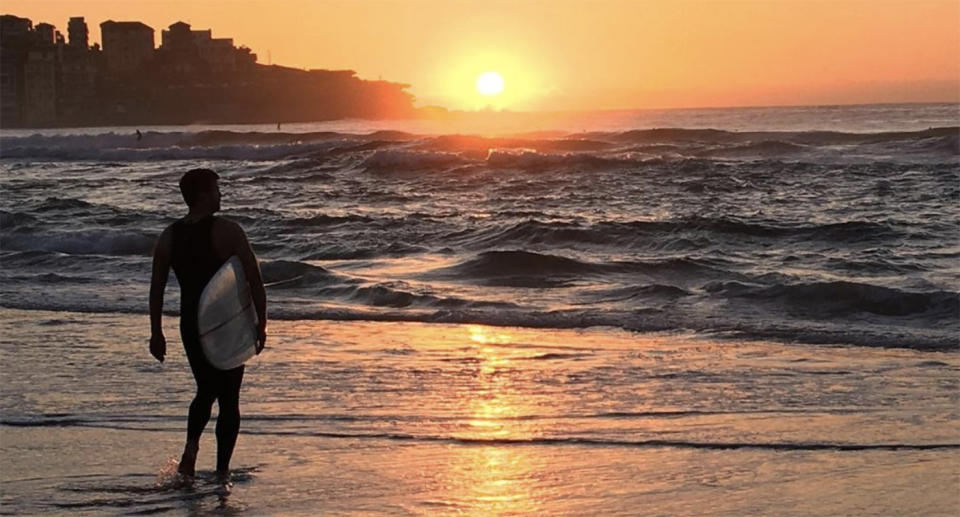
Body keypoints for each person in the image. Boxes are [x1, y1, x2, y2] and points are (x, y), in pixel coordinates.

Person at [149, 168, 267, 479]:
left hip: (191, 323)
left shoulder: (168, 237)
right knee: (229, 398)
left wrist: (156, 332)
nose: (220, 195)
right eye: (216, 190)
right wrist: (261, 322)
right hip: (225, 326)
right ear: (202, 195)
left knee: (205, 389)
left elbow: (157, 286)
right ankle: (222, 471)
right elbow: (254, 278)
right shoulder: (228, 231)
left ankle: (191, 449)